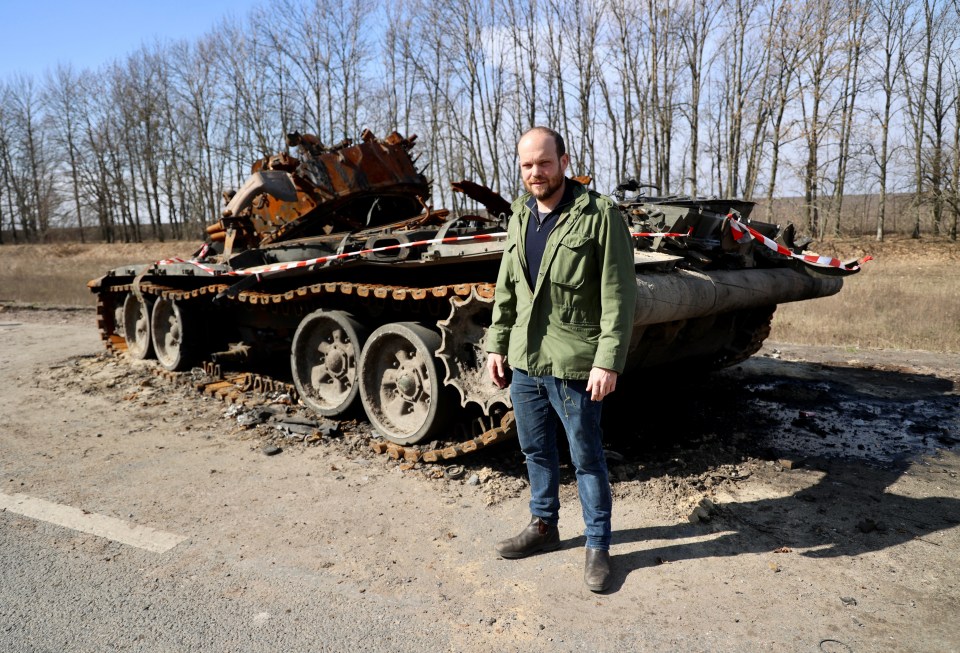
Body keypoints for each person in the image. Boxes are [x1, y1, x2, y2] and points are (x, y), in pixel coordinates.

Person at [485, 126, 637, 592]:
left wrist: (607, 361)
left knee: (586, 456)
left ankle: (598, 546)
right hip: (525, 360)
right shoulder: (519, 215)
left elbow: (619, 295)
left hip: (574, 362)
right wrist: (496, 343)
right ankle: (543, 527)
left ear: (565, 161)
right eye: (527, 164)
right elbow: (509, 286)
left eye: (544, 162)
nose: (536, 172)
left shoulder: (599, 215)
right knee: (535, 449)